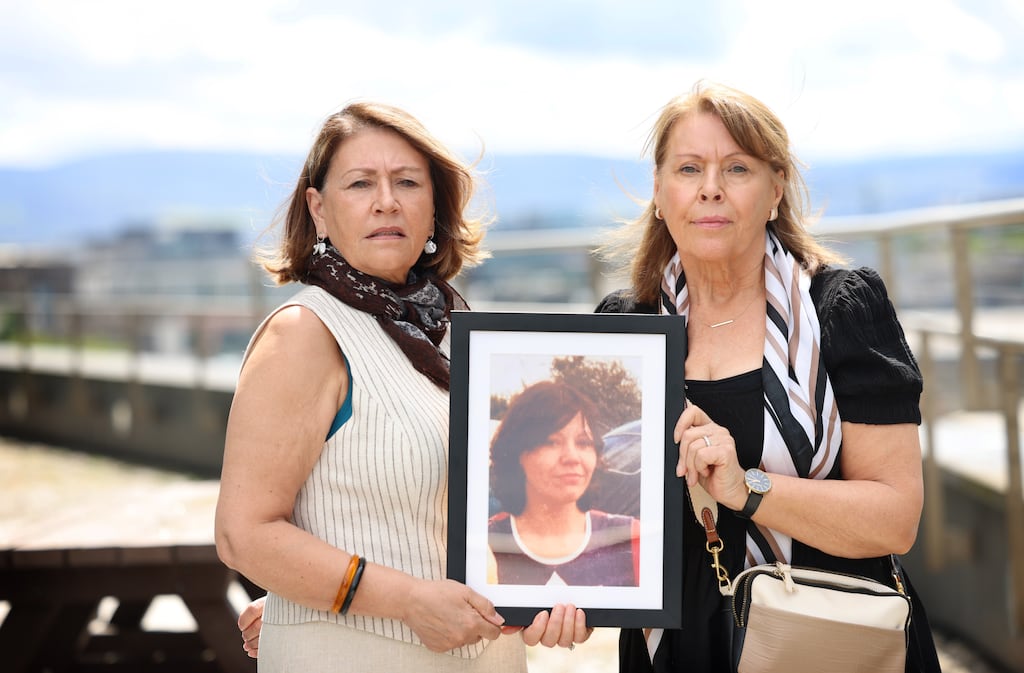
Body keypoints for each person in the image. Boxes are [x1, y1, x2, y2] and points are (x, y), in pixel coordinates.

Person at [214, 101, 590, 670]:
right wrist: (406, 601)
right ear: (318, 208)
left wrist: (555, 593)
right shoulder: (303, 335)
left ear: (434, 206)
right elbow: (243, 534)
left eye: (407, 182)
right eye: (360, 183)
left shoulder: (454, 333)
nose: (386, 200)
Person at [596, 80, 941, 672]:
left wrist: (748, 489)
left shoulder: (841, 311)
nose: (710, 189)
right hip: (675, 645)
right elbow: (595, 514)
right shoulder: (623, 329)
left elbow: (896, 519)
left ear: (776, 189)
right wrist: (553, 591)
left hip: (823, 640)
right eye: (688, 169)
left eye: (737, 168)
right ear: (658, 191)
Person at [486, 380, 640, 587]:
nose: (572, 457)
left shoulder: (632, 538)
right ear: (518, 454)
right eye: (551, 442)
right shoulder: (485, 544)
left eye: (583, 443)